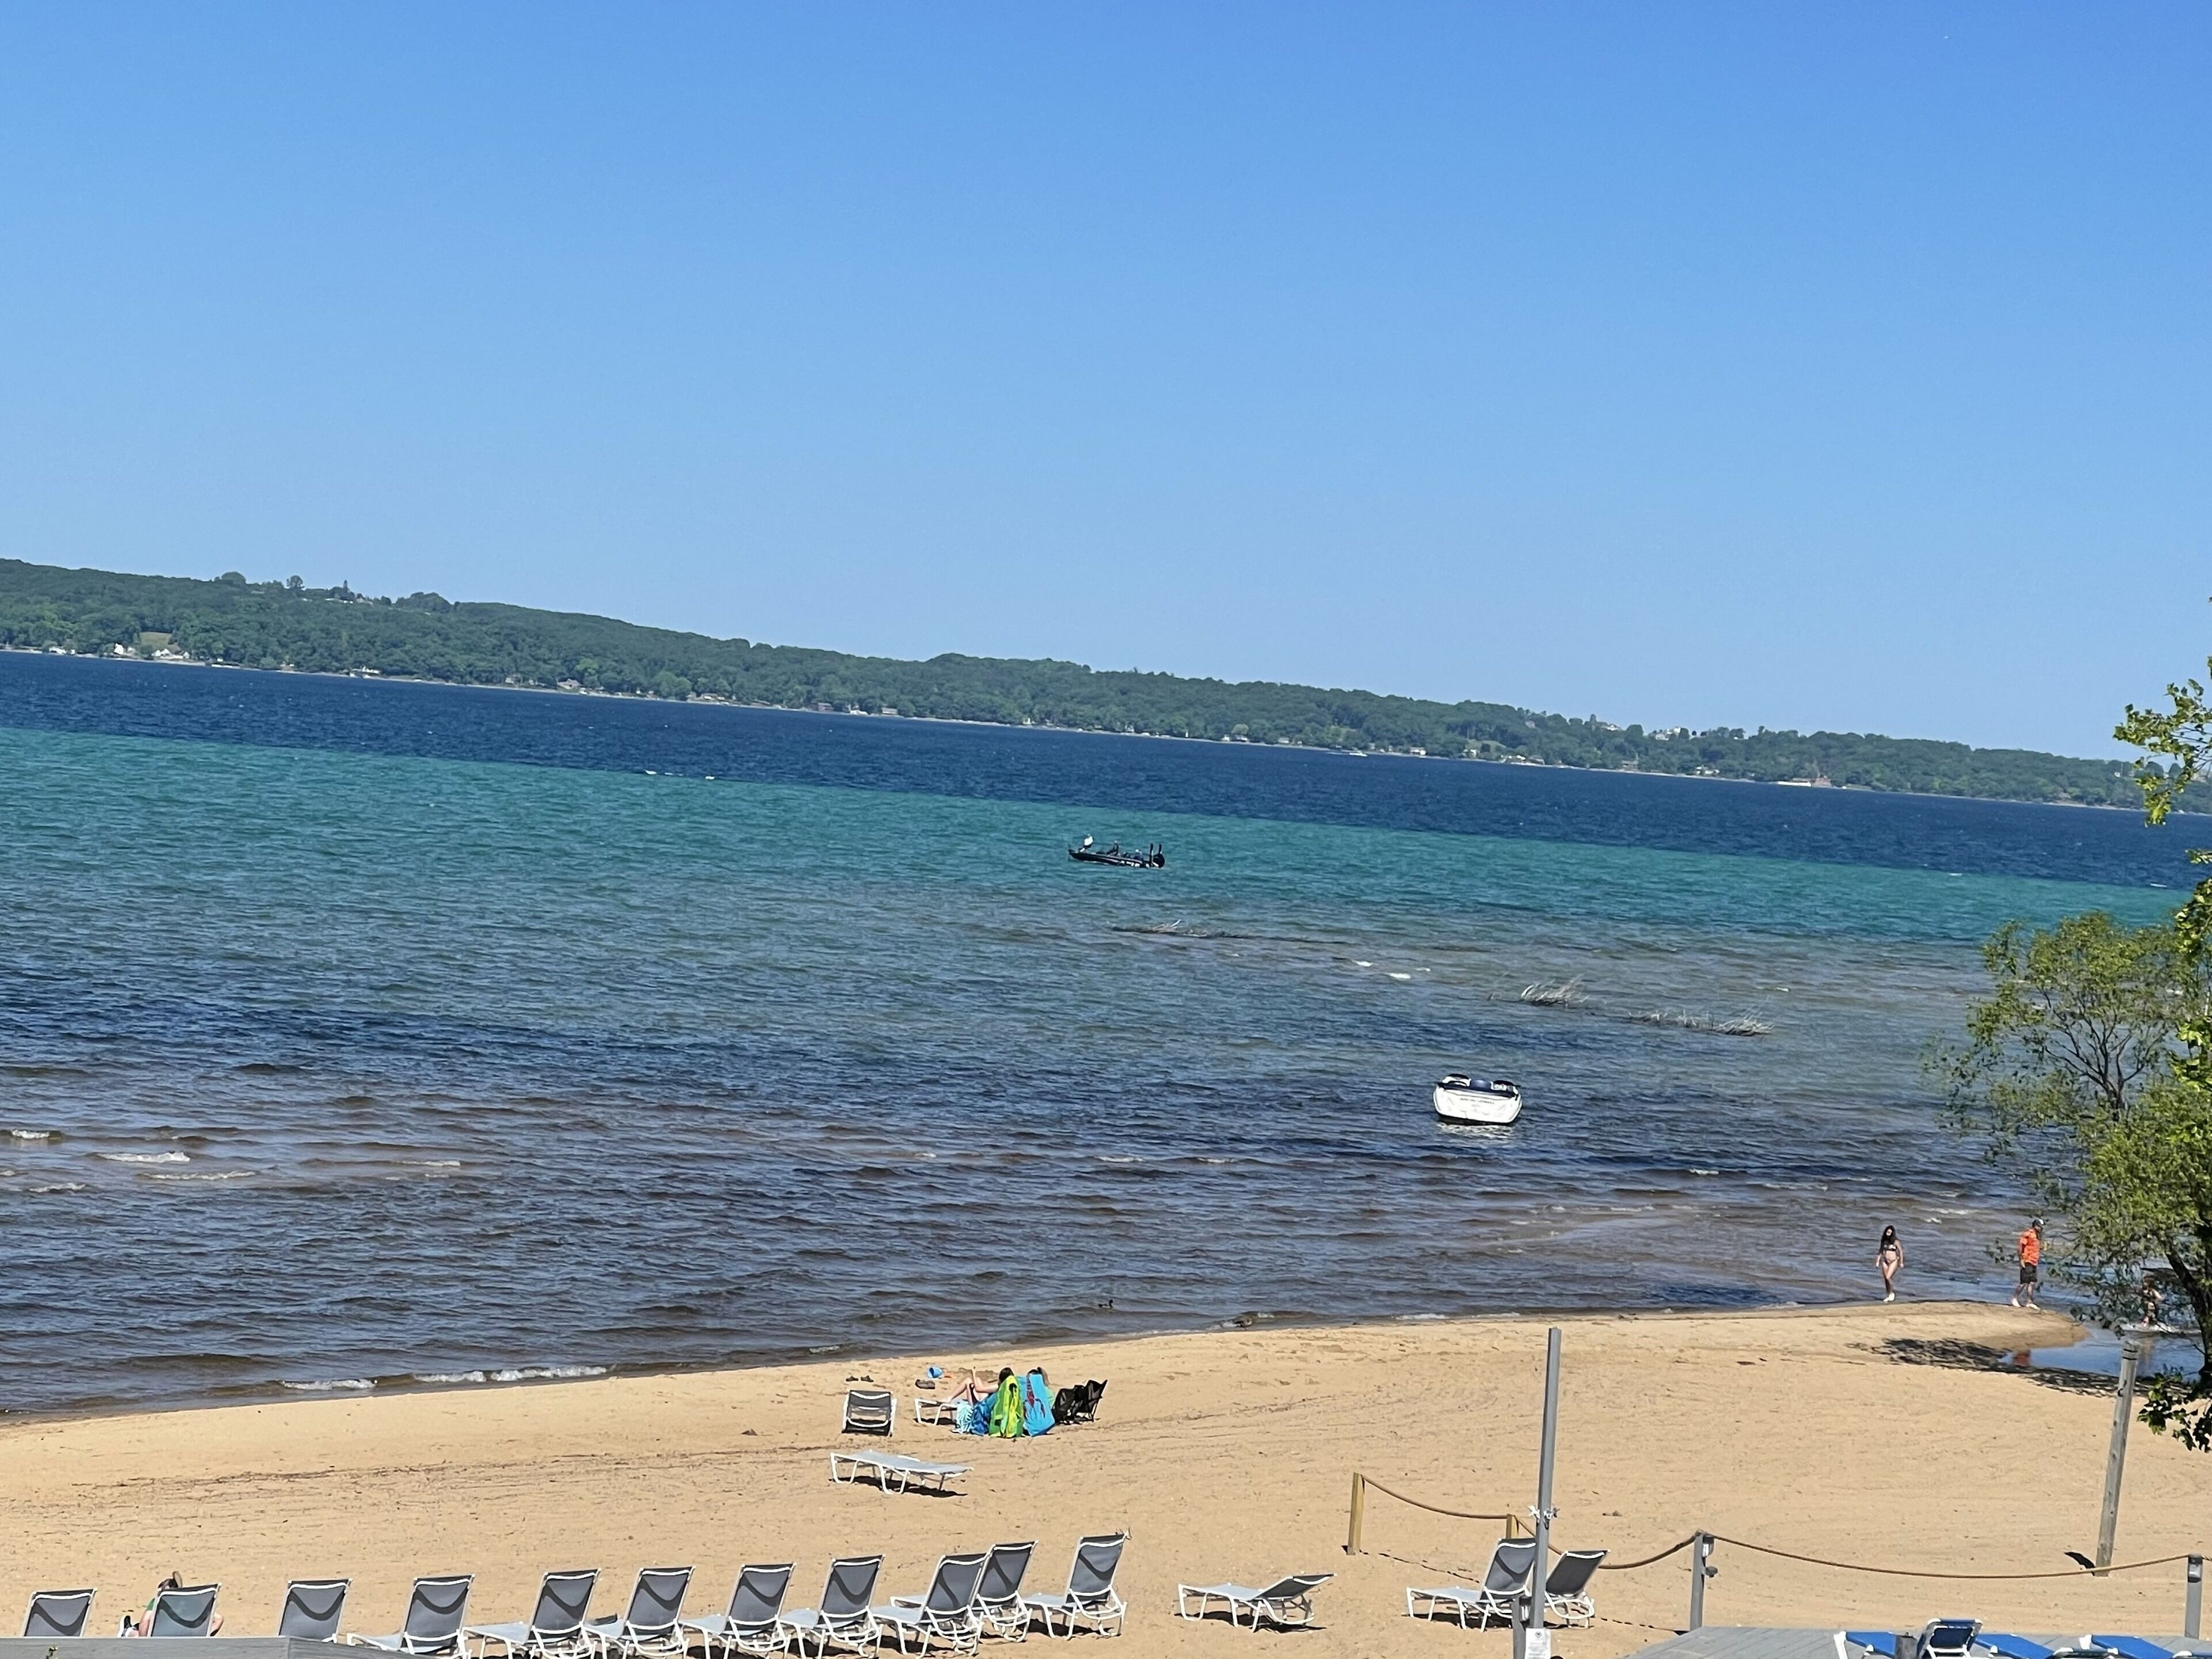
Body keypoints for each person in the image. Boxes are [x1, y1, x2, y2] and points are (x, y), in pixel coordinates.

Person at [129, 1574, 221, 1637]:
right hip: (185, 1638)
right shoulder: (189, 1602)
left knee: (136, 1635)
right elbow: (218, 1619)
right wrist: (203, 1636)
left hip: (160, 1638)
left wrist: (144, 1642)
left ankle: (129, 1632)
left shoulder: (159, 1601)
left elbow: (145, 1621)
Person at [2011, 1218, 2043, 1308]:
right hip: (2027, 1260)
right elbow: (2020, 1248)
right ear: (2035, 1226)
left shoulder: (2038, 1236)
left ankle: (2029, 1301)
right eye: (2040, 1227)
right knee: (2024, 1282)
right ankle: (2015, 1298)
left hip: (2034, 1262)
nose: (2041, 1229)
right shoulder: (2028, 1235)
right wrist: (2021, 1260)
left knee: (2032, 1282)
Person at [1877, 1226, 1904, 1302]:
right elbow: (1881, 1251)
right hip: (1885, 1260)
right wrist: (1878, 1261)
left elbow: (1901, 1252)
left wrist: (1901, 1262)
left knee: (1889, 1277)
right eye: (1887, 1232)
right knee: (1886, 1278)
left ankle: (1892, 1292)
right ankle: (1889, 1294)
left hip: (1893, 1261)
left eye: (1890, 1233)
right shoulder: (1884, 1241)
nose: (1888, 1234)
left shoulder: (1896, 1242)